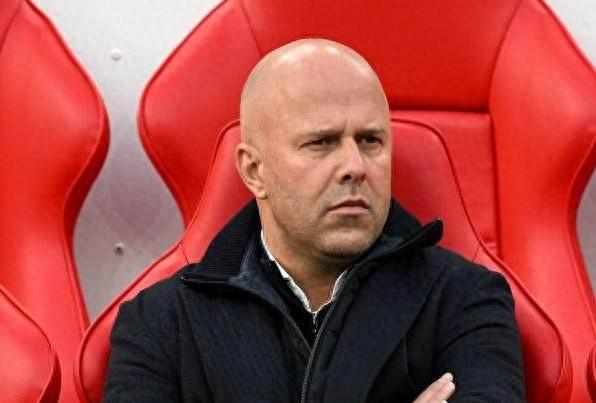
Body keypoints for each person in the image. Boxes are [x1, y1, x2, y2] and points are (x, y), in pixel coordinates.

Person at [104, 39, 525, 402]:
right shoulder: (158, 323)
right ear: (254, 170)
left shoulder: (466, 298)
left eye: (371, 140)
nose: (355, 166)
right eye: (321, 142)